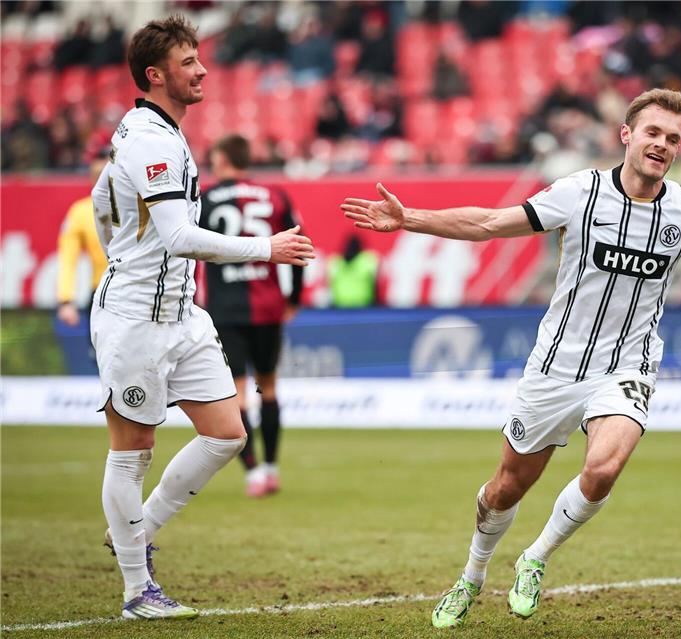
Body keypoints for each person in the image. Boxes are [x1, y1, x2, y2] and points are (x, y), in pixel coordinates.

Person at [341, 88, 681, 628]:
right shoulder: (580, 193)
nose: (662, 145)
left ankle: (535, 557)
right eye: (653, 133)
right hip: (554, 367)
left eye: (673, 139)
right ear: (627, 135)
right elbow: (489, 224)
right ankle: (472, 576)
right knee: (505, 488)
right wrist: (410, 220)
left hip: (628, 367)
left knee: (604, 467)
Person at [91, 15, 314, 621]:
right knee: (133, 448)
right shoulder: (150, 139)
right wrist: (267, 248)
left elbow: (105, 209)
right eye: (189, 61)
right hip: (137, 318)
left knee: (228, 434)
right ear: (156, 75)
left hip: (183, 314)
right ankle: (138, 590)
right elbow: (178, 236)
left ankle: (135, 532)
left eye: (200, 58)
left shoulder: (161, 132)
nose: (203, 70)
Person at [200, 134, 304, 497]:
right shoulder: (275, 195)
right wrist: (294, 296)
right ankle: (273, 469)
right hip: (268, 304)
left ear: (223, 157)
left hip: (225, 309)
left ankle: (254, 473)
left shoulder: (205, 199)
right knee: (270, 387)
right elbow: (299, 243)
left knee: (238, 394)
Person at [56, 151, 109, 327]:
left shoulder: (138, 206)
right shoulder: (80, 212)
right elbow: (68, 258)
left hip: (139, 292)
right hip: (102, 294)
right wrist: (66, 300)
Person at [328, 234, 378, 308]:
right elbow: (375, 283)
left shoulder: (335, 262)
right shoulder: (368, 259)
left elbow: (329, 284)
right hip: (363, 305)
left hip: (340, 306)